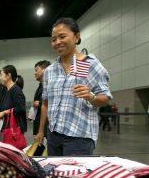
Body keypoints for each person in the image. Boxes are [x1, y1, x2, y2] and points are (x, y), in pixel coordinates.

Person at [35, 17, 112, 156]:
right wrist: (41, 131)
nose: (57, 42)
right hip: (53, 136)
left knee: (75, 177)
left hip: (79, 137)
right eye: (53, 39)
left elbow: (105, 98)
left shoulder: (88, 64)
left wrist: (91, 96)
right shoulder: (50, 71)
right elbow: (45, 103)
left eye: (62, 36)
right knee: (54, 175)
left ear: (76, 37)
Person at [0, 65, 26, 143]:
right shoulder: (5, 91)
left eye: (1, 75)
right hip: (5, 128)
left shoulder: (16, 90)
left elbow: (20, 108)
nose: (0, 77)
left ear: (8, 75)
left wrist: (4, 113)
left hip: (13, 131)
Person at [32, 60, 51, 135]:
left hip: (47, 125)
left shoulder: (50, 86)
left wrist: (39, 103)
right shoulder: (40, 86)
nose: (35, 73)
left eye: (36, 70)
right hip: (39, 122)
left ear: (44, 70)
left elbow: (51, 103)